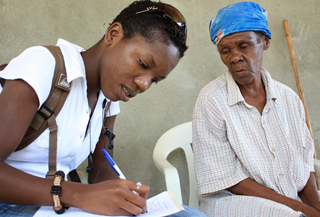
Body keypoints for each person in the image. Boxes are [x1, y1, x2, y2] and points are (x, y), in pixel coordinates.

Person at [0, 0, 205, 216]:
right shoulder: (45, 65)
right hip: (12, 205)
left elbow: (102, 171)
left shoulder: (108, 99)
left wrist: (124, 197)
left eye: (155, 80)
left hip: (60, 204)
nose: (144, 84)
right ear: (113, 34)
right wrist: (79, 194)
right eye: (143, 64)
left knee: (189, 215)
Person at [192, 1, 320, 217]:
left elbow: (303, 159)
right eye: (225, 51)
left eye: (244, 46)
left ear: (265, 42)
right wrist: (300, 208)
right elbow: (228, 179)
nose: (235, 57)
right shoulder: (212, 99)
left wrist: (315, 204)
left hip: (288, 196)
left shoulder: (288, 98)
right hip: (232, 201)